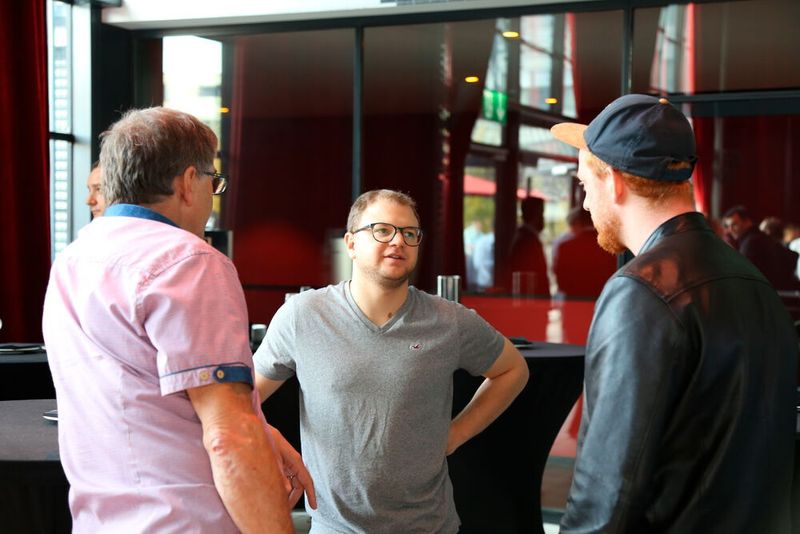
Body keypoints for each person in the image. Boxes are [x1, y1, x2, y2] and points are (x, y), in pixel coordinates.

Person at [43, 107, 314, 533]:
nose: (211, 197)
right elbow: (228, 437)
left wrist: (261, 431)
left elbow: (140, 390)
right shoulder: (188, 261)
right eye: (213, 182)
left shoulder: (73, 259)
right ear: (189, 181)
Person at [551, 94, 797, 532]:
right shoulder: (751, 281)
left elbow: (607, 489)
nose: (586, 205)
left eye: (585, 185)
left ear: (615, 182)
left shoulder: (641, 291)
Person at [253, 189, 529, 533]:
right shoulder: (303, 315)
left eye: (409, 233)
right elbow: (243, 399)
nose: (398, 241)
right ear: (351, 243)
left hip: (427, 526)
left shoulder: (449, 320)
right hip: (333, 527)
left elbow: (512, 369)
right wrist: (270, 441)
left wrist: (456, 434)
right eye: (382, 230)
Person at [722, 205, 799, 290]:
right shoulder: (760, 237)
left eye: (734, 224)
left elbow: (745, 278)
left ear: (747, 221)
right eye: (728, 226)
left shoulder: (751, 242)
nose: (730, 229)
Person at [552, 206, 616, 298]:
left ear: (577, 223)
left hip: (574, 301)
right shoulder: (609, 246)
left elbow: (561, 282)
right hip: (602, 299)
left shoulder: (566, 247)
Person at [507, 196, 551, 296]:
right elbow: (529, 277)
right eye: (542, 213)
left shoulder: (524, 236)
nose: (543, 218)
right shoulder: (527, 240)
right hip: (530, 300)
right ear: (536, 214)